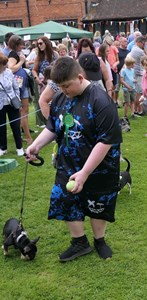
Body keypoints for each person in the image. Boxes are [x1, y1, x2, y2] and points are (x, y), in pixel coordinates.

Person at [25, 57, 122, 262]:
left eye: (67, 86)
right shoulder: (61, 98)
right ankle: (80, 242)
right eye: (60, 87)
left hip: (100, 167)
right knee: (65, 200)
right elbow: (54, 126)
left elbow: (105, 142)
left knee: (98, 204)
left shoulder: (101, 101)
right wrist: (36, 145)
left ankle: (100, 240)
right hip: (68, 163)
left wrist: (85, 173)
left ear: (80, 77)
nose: (64, 91)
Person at [7, 35, 33, 145]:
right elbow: (11, 68)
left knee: (24, 112)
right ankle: (28, 138)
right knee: (23, 112)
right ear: (16, 45)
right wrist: (22, 61)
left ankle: (24, 136)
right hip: (19, 86)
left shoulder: (17, 54)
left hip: (22, 85)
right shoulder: (13, 54)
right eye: (21, 44)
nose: (23, 46)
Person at [32, 36, 59, 127]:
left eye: (41, 43)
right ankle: (49, 123)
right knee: (44, 102)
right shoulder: (39, 57)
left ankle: (56, 121)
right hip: (43, 83)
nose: (39, 46)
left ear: (46, 43)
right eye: (38, 44)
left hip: (55, 81)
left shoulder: (55, 54)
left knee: (56, 101)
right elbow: (34, 70)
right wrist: (37, 79)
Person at [0, 52, 24, 156]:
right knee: (1, 127)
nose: (5, 66)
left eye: (5, 64)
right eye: (3, 64)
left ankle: (19, 147)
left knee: (15, 125)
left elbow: (16, 87)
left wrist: (17, 99)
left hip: (12, 102)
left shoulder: (9, 72)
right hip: (0, 104)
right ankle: (3, 148)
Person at [130, 36, 147, 116]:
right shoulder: (140, 51)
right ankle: (139, 110)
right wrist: (145, 51)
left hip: (135, 72)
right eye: (143, 43)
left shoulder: (133, 48)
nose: (143, 45)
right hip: (139, 73)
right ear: (139, 42)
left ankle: (136, 110)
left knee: (136, 93)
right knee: (139, 93)